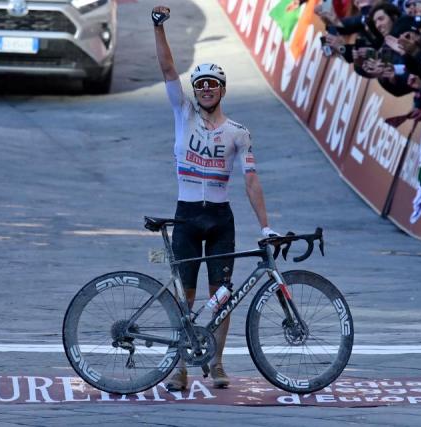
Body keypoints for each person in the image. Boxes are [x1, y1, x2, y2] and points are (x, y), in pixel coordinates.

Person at [151, 5, 277, 391]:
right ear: (196, 91)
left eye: (212, 85)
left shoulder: (239, 132)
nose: (206, 90)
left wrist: (266, 226)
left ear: (222, 90)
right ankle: (179, 368)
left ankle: (217, 364)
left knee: (221, 296)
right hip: (187, 215)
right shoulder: (183, 114)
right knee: (184, 295)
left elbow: (251, 180)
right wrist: (158, 27)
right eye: (201, 85)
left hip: (221, 218)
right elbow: (169, 69)